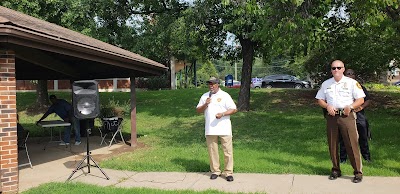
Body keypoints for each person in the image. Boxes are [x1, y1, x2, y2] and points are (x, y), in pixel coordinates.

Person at [315, 60, 366, 183]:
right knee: (332, 145)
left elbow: (361, 99)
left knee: (352, 144)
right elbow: (319, 99)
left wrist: (351, 107)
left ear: (343, 69)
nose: (336, 70)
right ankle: (335, 169)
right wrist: (327, 106)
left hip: (346, 116)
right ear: (331, 70)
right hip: (332, 117)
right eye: (333, 68)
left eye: (339, 68)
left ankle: (358, 172)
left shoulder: (352, 83)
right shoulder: (326, 84)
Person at [196, 77, 237, 182]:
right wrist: (206, 104)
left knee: (227, 151)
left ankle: (228, 172)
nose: (211, 86)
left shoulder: (225, 95)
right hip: (210, 129)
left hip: (224, 128)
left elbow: (233, 109)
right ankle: (215, 171)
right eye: (209, 84)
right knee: (212, 151)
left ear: (218, 84)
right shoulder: (205, 96)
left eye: (213, 84)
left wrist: (223, 114)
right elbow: (198, 110)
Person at [339, 69, 372, 163]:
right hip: (345, 115)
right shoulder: (341, 87)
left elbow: (367, 100)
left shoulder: (360, 87)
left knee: (363, 136)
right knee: (344, 137)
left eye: (353, 74)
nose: (351, 75)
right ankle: (343, 159)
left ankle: (366, 157)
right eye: (348, 74)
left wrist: (361, 107)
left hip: (359, 115)